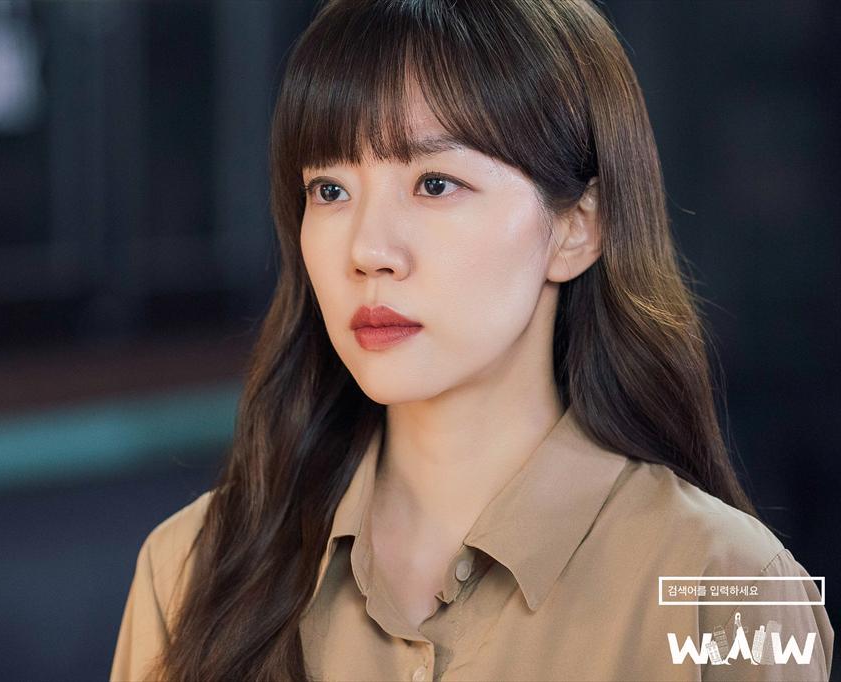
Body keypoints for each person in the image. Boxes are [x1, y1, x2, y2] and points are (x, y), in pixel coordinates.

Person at [110, 0, 834, 680]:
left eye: (434, 184)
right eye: (330, 190)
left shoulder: (724, 585)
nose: (368, 250)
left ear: (577, 228)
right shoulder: (192, 568)